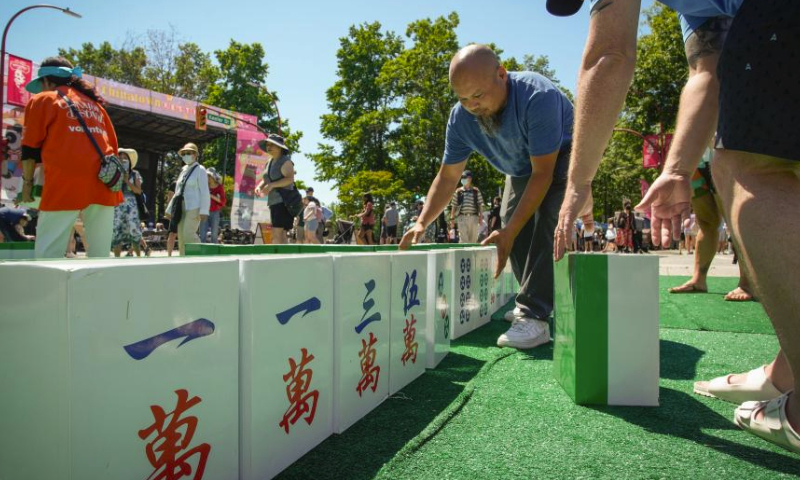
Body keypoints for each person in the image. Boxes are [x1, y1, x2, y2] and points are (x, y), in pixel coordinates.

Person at [548, 0, 800, 453]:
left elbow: (610, 54)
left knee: (748, 167)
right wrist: (678, 169)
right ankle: (789, 366)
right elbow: (710, 72)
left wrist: (578, 185)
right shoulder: (702, 9)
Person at [400, 44, 573, 350]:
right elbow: (448, 177)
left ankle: (535, 315)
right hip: (521, 167)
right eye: (463, 98)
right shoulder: (460, 118)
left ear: (501, 74)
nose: (472, 105)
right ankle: (532, 300)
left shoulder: (537, 97)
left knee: (546, 217)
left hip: (561, 154)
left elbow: (543, 174)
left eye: (478, 95)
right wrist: (422, 221)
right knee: (507, 226)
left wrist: (511, 230)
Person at [20, 56, 122, 258]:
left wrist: (27, 185)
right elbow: (113, 147)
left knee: (48, 254)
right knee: (100, 256)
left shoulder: (44, 99)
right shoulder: (96, 106)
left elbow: (30, 150)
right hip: (105, 182)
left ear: (47, 81)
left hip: (64, 183)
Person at [668, 148, 753, 300]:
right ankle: (698, 280)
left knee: (734, 220)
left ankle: (748, 284)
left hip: (724, 151)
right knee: (706, 222)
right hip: (697, 158)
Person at [165, 143, 209, 255]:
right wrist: (169, 209)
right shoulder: (184, 170)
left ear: (195, 155)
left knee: (188, 234)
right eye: (183, 154)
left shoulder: (200, 169)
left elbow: (205, 191)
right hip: (181, 206)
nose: (185, 155)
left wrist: (204, 210)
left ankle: (200, 256)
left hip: (194, 206)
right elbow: (178, 191)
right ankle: (183, 260)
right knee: (181, 236)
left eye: (188, 153)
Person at [254, 134, 295, 245]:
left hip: (284, 202)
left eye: (272, 144)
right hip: (274, 202)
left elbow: (290, 179)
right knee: (281, 235)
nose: (269, 147)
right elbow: (266, 179)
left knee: (277, 234)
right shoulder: (269, 162)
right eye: (268, 144)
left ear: (280, 147)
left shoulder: (286, 161)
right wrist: (259, 187)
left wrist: (272, 185)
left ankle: (277, 259)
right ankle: (286, 259)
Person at [111, 148, 144, 257]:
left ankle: (139, 257)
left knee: (134, 230)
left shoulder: (135, 174)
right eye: (120, 158)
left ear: (130, 161)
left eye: (125, 158)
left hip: (131, 205)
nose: (122, 160)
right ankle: (117, 259)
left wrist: (127, 181)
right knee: (117, 231)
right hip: (117, 204)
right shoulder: (114, 172)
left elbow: (138, 191)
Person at [449, 170, 485, 243]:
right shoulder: (458, 191)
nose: (463, 179)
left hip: (474, 217)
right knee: (464, 240)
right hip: (461, 217)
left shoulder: (476, 191)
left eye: (464, 177)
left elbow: (480, 204)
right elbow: (454, 205)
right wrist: (452, 219)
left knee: (473, 240)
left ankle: (472, 254)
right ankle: (464, 254)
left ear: (470, 178)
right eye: (462, 177)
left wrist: (481, 217)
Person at [198, 167, 226, 244]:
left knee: (214, 234)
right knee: (202, 234)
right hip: (204, 212)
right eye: (206, 176)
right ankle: (201, 253)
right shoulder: (204, 186)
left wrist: (211, 195)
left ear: (213, 176)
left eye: (209, 176)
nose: (207, 178)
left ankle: (215, 254)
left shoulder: (220, 187)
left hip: (215, 212)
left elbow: (222, 202)